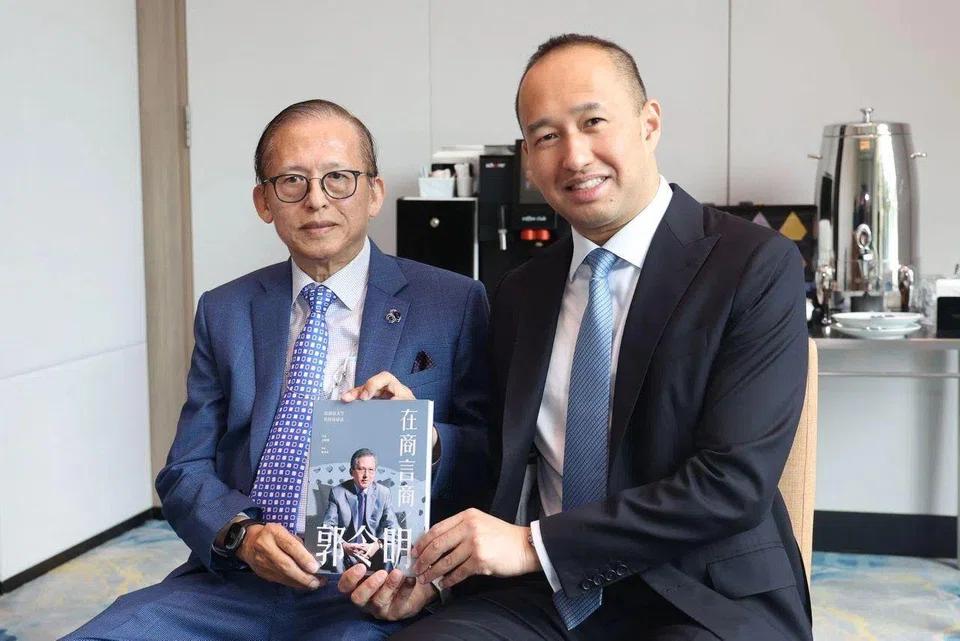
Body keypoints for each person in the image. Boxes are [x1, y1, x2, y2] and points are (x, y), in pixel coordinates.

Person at [344, 34, 813, 640]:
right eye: (546, 137)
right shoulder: (517, 292)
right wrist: (424, 460)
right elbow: (507, 469)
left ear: (649, 123)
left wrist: (535, 545)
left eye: (593, 122)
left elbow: (733, 484)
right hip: (543, 597)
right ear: (528, 160)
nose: (574, 156)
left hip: (699, 594)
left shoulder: (754, 264)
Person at [62, 99, 489, 641]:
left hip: (373, 586)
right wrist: (241, 535)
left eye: (339, 178)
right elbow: (184, 468)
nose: (316, 200)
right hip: (238, 582)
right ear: (264, 201)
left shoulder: (451, 302)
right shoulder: (225, 310)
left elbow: (491, 457)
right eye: (291, 181)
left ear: (374, 193)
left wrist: (425, 438)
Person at [323, 449, 399, 572]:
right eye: (361, 469)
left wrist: (376, 545)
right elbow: (327, 526)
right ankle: (338, 586)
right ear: (351, 471)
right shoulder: (337, 492)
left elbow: (393, 527)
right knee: (335, 550)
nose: (366, 475)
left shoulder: (383, 493)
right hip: (347, 549)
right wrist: (344, 545)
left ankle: (386, 584)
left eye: (370, 470)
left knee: (390, 548)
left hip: (374, 549)